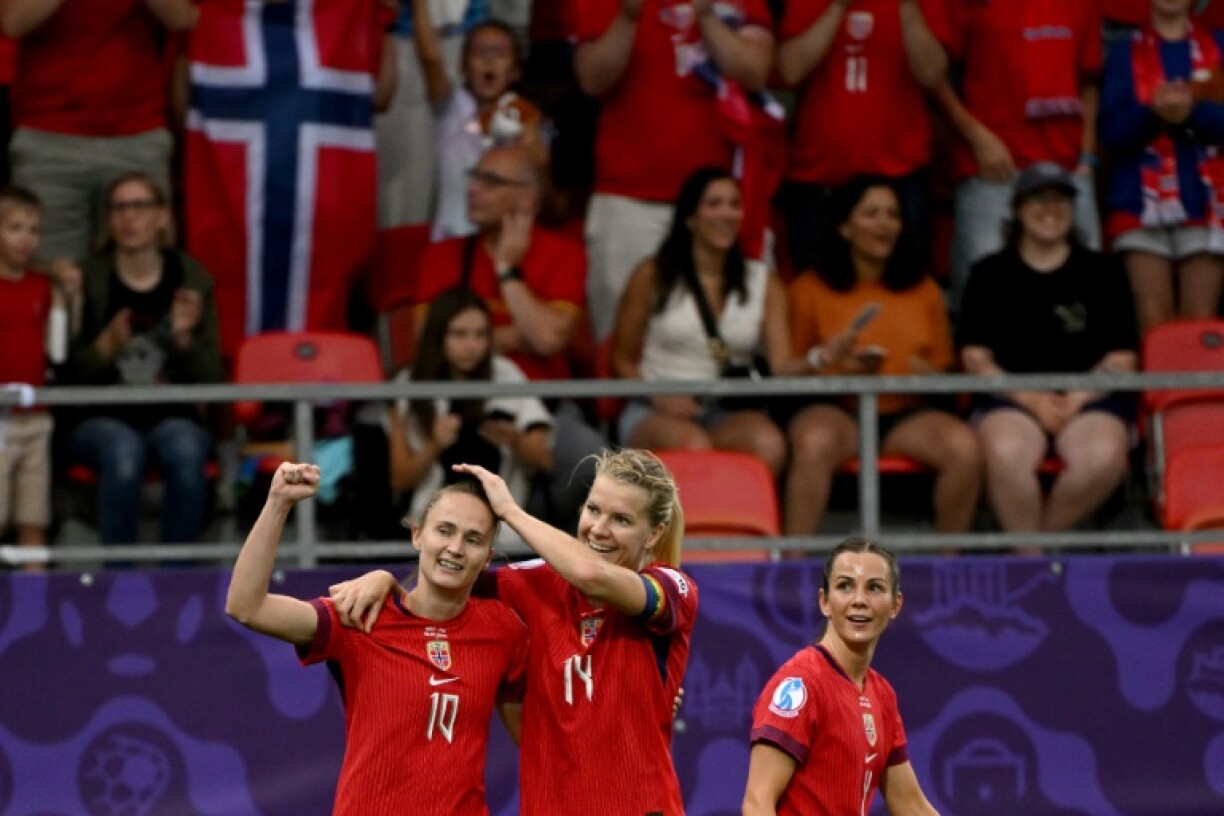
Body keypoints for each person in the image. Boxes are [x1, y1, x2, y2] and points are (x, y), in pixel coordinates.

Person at [329, 447, 697, 815]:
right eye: (593, 509)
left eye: (621, 520)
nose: (599, 529)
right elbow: (441, 578)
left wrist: (511, 512)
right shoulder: (531, 584)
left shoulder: (671, 587)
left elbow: (592, 576)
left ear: (653, 534)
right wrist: (385, 582)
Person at [225, 462, 528, 815]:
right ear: (417, 535)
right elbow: (246, 607)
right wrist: (278, 503)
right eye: (444, 531)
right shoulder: (361, 613)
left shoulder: (504, 632)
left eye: (473, 539)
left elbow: (535, 743)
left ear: (487, 557)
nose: (456, 548)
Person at [411, 144, 605, 531]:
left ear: (528, 197)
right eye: (475, 177)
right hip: (464, 400)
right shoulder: (443, 256)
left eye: (491, 181)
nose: (473, 189)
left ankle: (538, 540)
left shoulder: (564, 254)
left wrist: (506, 272)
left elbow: (549, 339)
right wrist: (519, 335)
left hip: (546, 405)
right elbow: (426, 342)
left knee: (591, 459)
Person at [786, 176, 982, 537]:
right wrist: (841, 368)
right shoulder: (809, 287)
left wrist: (927, 374)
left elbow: (946, 370)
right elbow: (789, 372)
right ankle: (788, 566)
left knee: (964, 447)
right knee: (814, 441)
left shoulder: (923, 289)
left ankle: (947, 565)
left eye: (893, 214)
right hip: (836, 410)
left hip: (903, 413)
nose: (885, 223)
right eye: (871, 213)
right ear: (845, 227)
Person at [574, 0, 775, 339]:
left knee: (729, 332)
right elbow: (592, 80)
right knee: (620, 337)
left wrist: (706, 16)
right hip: (629, 197)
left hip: (719, 202)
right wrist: (627, 17)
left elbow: (754, 72)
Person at [959, 162, 1139, 535]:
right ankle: (1036, 560)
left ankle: (1039, 555)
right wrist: (1029, 398)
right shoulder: (988, 274)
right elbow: (974, 357)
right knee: (1005, 452)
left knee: (1103, 455)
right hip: (1009, 400)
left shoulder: (1103, 272)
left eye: (1061, 200)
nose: (1050, 210)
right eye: (1038, 199)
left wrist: (1077, 396)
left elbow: (1124, 357)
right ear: (1019, 209)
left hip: (1091, 399)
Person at [65, 171, 224, 545]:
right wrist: (105, 347)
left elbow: (214, 377)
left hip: (173, 414)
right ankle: (117, 578)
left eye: (139, 206)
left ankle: (180, 579)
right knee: (124, 452)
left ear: (162, 216)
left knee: (185, 451)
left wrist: (184, 339)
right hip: (101, 417)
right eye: (119, 208)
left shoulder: (191, 277)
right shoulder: (88, 278)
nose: (128, 217)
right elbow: (64, 374)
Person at [610, 166, 798, 474]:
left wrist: (822, 358)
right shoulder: (652, 274)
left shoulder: (764, 281)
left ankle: (741, 523)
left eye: (734, 204)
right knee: (693, 446)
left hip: (724, 410)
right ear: (689, 218)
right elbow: (620, 360)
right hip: (654, 407)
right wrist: (661, 397)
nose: (727, 213)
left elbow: (782, 365)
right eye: (714, 204)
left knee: (769, 443)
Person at [743, 536, 939, 816]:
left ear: (896, 605)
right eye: (845, 586)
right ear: (824, 601)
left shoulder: (882, 695)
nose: (859, 600)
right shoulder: (800, 685)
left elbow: (910, 805)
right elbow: (757, 802)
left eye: (874, 588)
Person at [0, 0, 198, 266]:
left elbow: (183, 18)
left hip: (137, 134)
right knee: (49, 275)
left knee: (148, 273)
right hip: (50, 138)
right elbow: (14, 22)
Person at [936, 0, 1103, 312]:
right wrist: (976, 136)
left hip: (1066, 167)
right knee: (983, 303)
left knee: (1086, 299)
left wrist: (1087, 156)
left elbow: (1088, 79)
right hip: (991, 166)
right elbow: (934, 74)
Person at [777, 0, 950, 274]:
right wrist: (837, 7)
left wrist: (907, 7)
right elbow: (790, 70)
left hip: (901, 176)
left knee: (903, 293)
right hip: (821, 178)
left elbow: (932, 75)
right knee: (816, 296)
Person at [387, 287, 558, 541]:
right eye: (460, 334)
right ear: (438, 336)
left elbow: (543, 460)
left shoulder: (507, 375)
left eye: (481, 335)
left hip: (503, 527)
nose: (472, 345)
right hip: (430, 520)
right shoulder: (410, 383)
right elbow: (400, 480)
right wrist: (434, 445)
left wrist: (515, 440)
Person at [1099, 0, 1224, 335]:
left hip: (1207, 202)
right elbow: (1110, 132)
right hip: (1139, 201)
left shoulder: (1220, 46)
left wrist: (1191, 113)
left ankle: (1196, 391)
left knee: (1199, 321)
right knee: (1153, 321)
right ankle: (1156, 391)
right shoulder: (1123, 53)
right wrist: (1152, 112)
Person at [413, 2, 548, 241]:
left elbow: (538, 167)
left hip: (499, 245)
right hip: (450, 242)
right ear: (464, 67)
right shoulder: (451, 107)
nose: (489, 61)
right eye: (479, 53)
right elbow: (431, 57)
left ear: (515, 71)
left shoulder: (522, 113)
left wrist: (523, 124)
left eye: (500, 53)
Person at [0, 185, 65, 569]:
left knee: (33, 519)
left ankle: (35, 613)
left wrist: (64, 299)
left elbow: (56, 353)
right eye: (15, 227)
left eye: (34, 230)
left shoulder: (43, 285)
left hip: (36, 416)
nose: (26, 239)